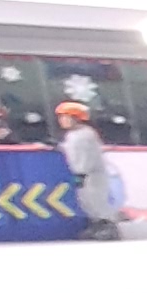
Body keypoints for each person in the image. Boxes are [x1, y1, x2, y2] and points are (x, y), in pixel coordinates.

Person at [55, 99, 123, 239]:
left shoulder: (85, 135)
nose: (62, 121)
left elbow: (86, 156)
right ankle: (96, 224)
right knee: (85, 200)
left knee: (95, 199)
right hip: (82, 173)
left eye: (65, 117)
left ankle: (107, 225)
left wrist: (81, 172)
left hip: (91, 174)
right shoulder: (73, 135)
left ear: (75, 118)